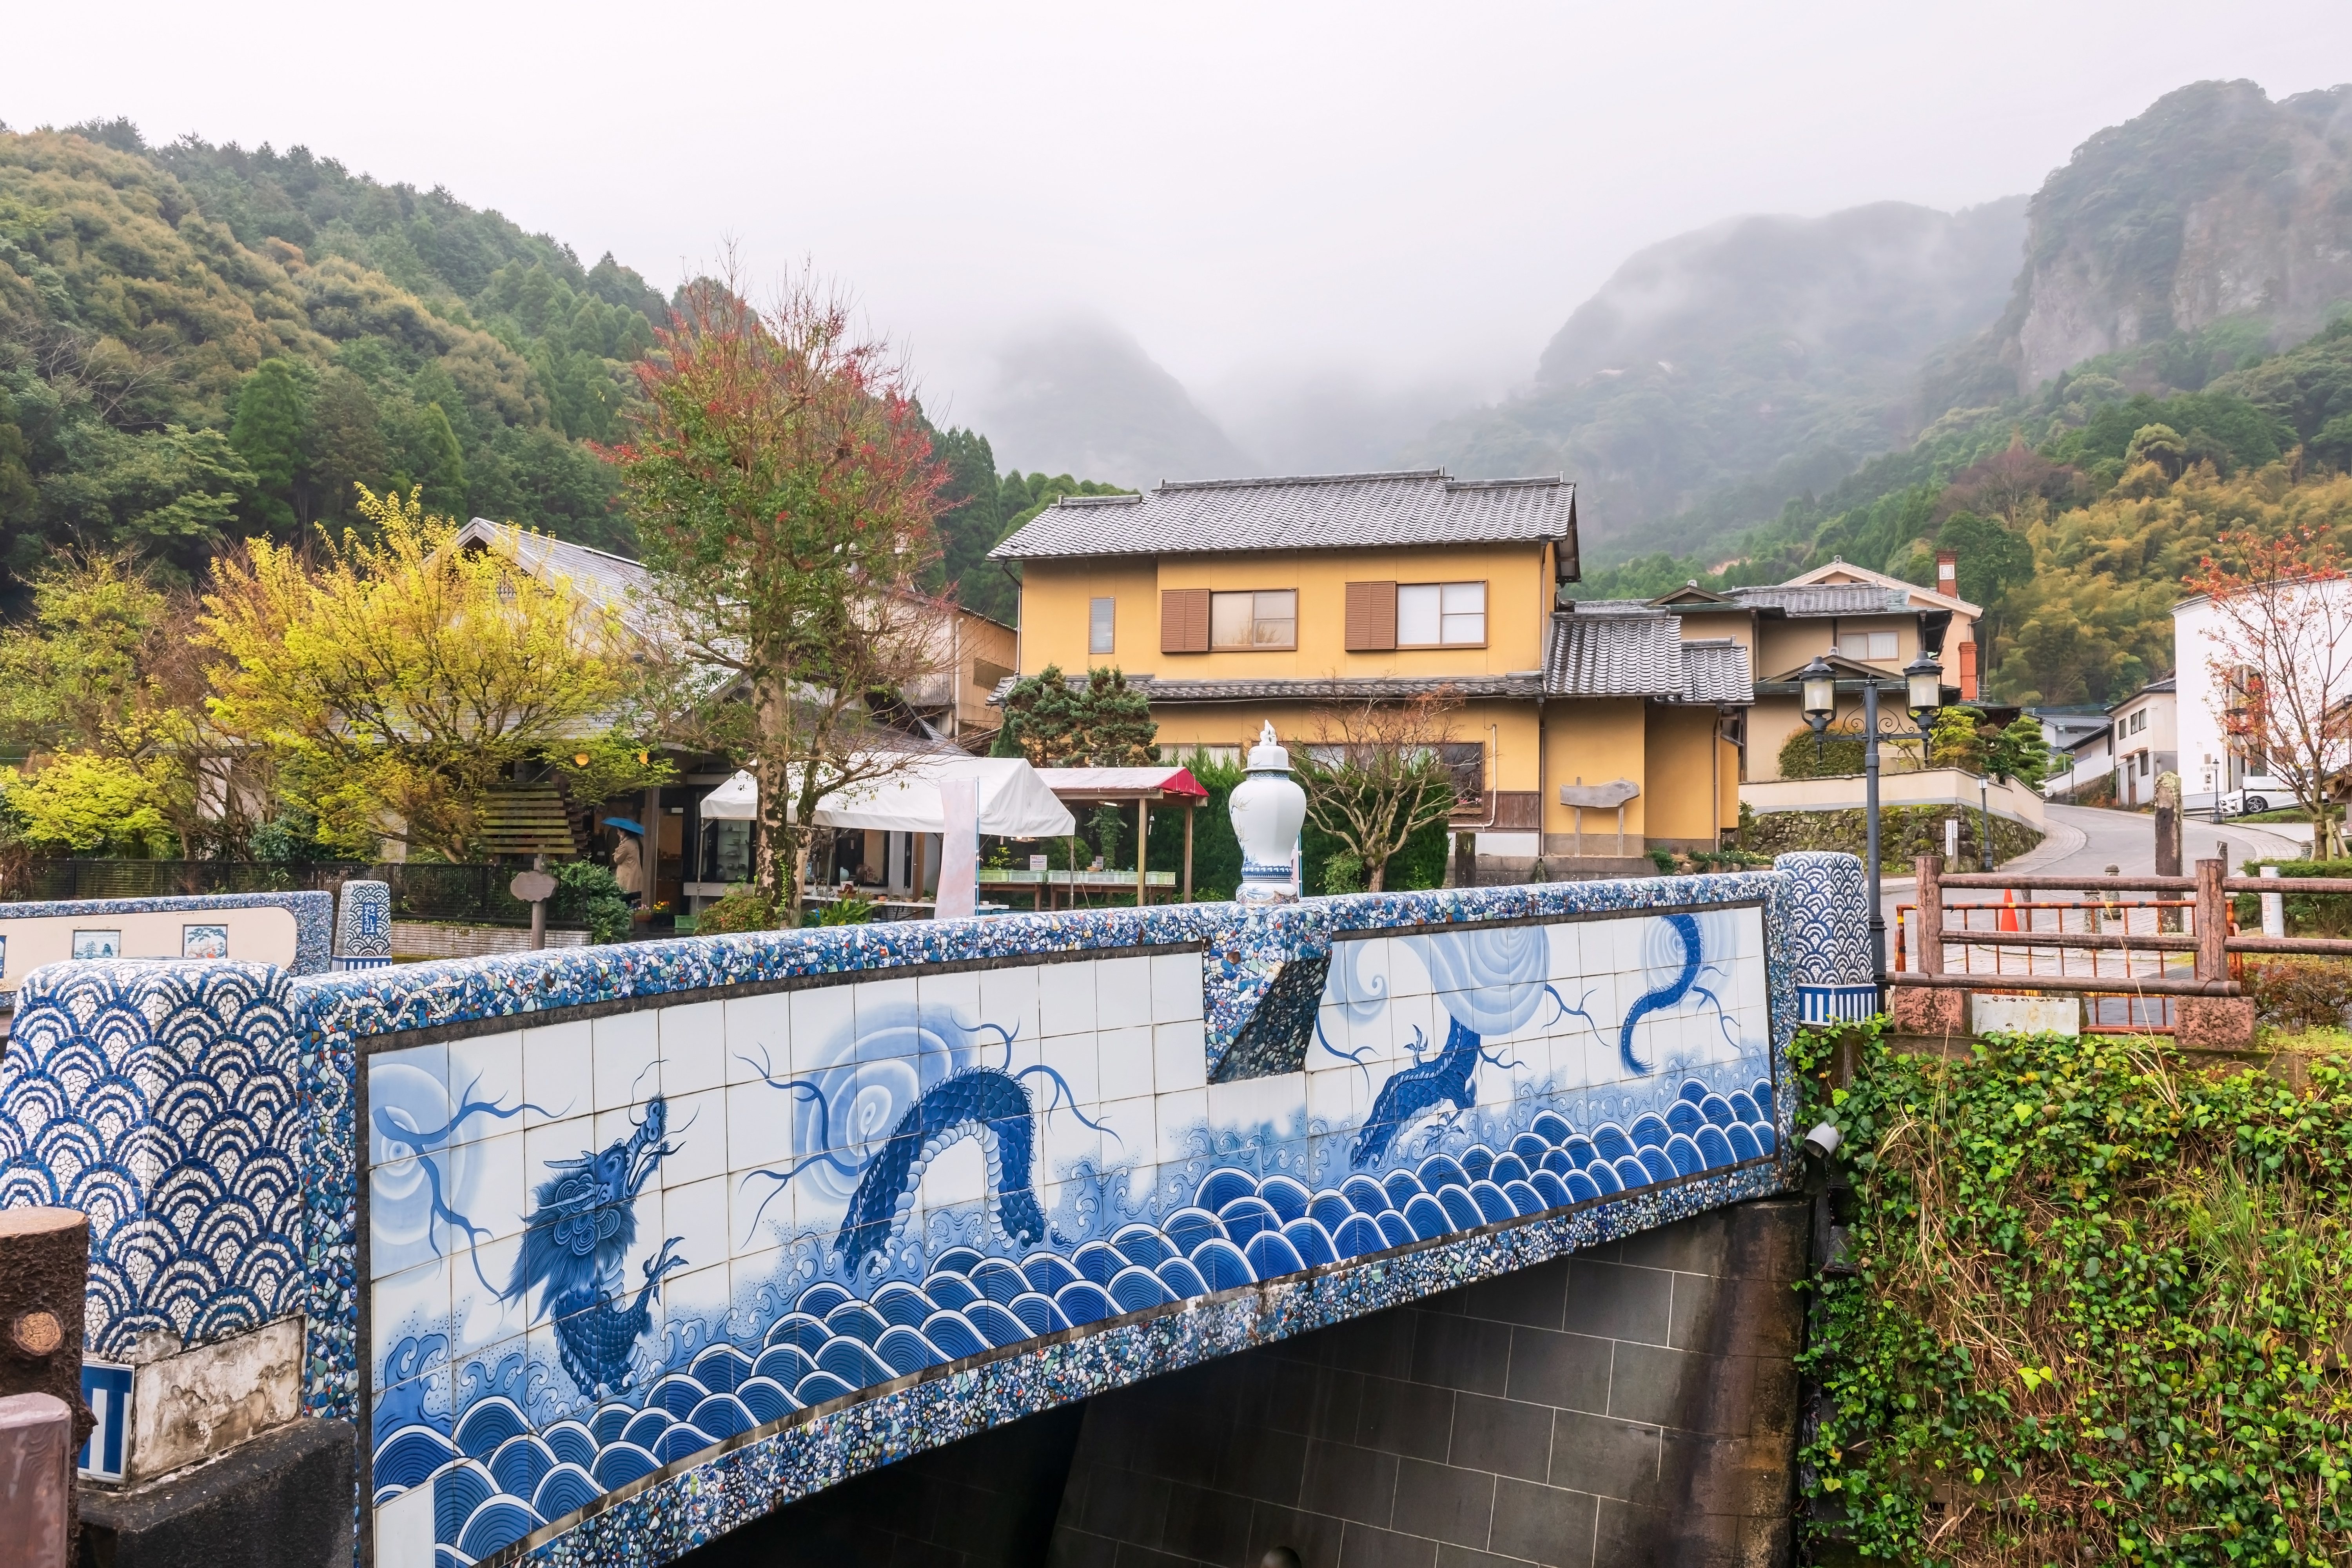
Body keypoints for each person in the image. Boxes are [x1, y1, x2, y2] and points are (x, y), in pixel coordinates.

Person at [611, 827, 644, 907]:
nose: (618, 834)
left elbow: (617, 860)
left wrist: (618, 849)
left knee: (625, 898)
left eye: (619, 831)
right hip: (634, 874)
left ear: (623, 833)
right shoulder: (635, 842)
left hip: (626, 876)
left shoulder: (626, 845)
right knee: (633, 899)